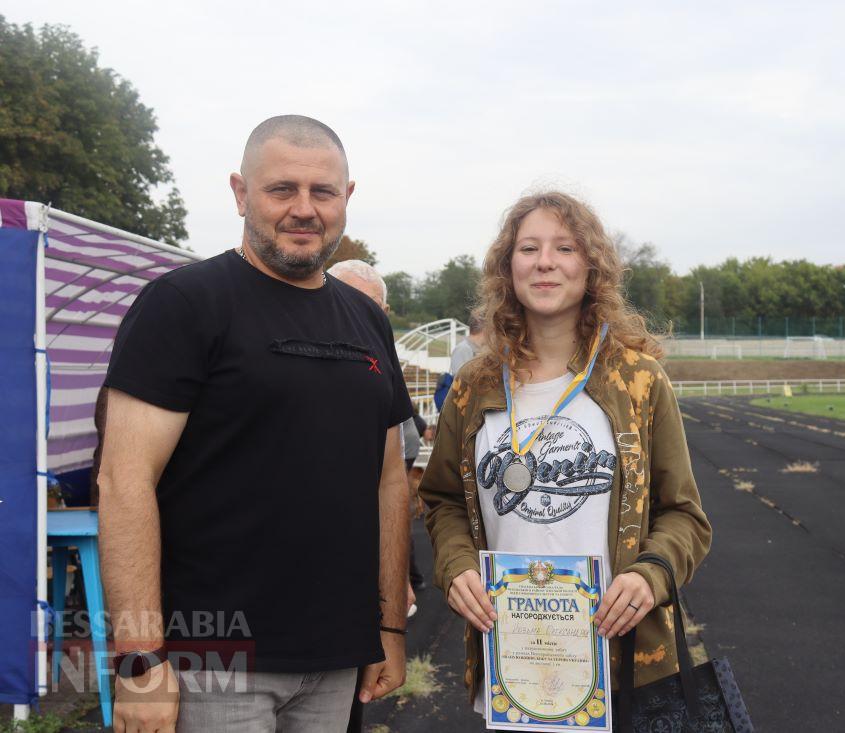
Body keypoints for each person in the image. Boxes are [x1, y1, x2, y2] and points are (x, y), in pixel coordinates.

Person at [98, 115, 413, 733]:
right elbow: (122, 480)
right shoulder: (185, 304)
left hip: (336, 657)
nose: (304, 209)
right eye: (281, 190)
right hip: (214, 662)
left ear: (346, 199)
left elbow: (390, 482)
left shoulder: (365, 321)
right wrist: (140, 660)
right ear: (241, 193)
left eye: (322, 192)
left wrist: (391, 627)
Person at [418, 191, 712, 724]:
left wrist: (651, 574)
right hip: (512, 663)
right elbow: (442, 501)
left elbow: (684, 516)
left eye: (565, 248)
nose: (546, 261)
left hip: (621, 661)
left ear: (591, 266)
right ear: (509, 268)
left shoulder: (638, 381)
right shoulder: (473, 385)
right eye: (529, 248)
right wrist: (456, 565)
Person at [327, 259, 426, 616]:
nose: (359, 315)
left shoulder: (379, 358)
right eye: (347, 300)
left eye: (371, 307)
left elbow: (389, 483)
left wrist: (396, 580)